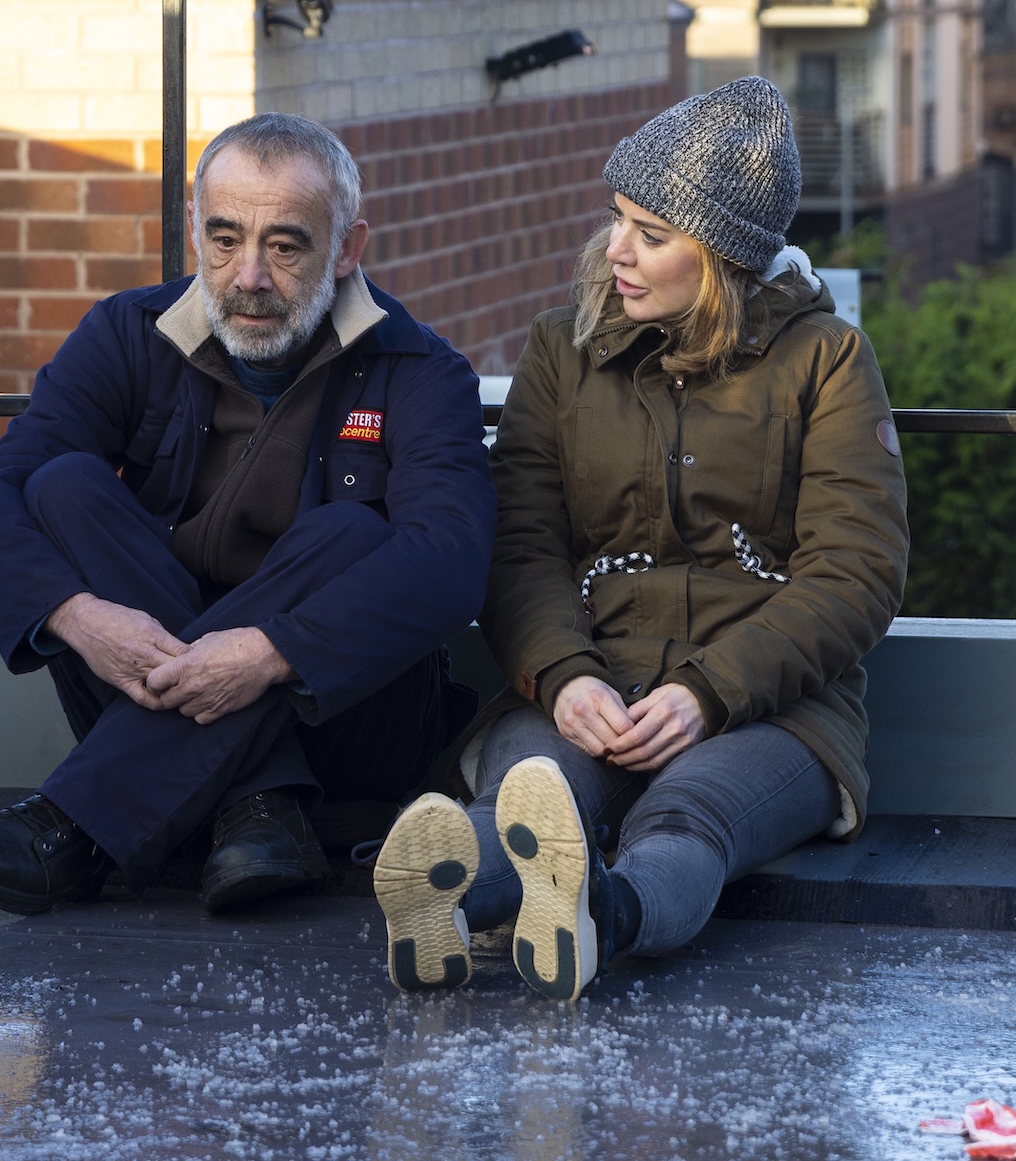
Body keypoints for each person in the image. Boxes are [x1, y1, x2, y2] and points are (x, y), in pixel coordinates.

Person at [372, 77, 909, 999]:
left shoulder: (827, 361)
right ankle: (438, 899)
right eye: (618, 218)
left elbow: (856, 572)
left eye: (652, 234)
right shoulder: (562, 349)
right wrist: (562, 674)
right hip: (589, 677)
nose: (616, 249)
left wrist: (708, 693)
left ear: (724, 257)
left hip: (773, 707)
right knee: (533, 799)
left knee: (687, 816)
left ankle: (601, 917)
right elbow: (520, 544)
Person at [0, 112, 496, 917]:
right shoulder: (126, 333)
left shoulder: (420, 370)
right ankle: (259, 806)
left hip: (343, 733)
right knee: (62, 487)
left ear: (346, 249)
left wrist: (271, 652)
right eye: (225, 240)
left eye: (286, 247)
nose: (249, 276)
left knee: (352, 534)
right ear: (196, 230)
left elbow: (451, 561)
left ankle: (77, 823)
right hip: (154, 675)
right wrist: (78, 615)